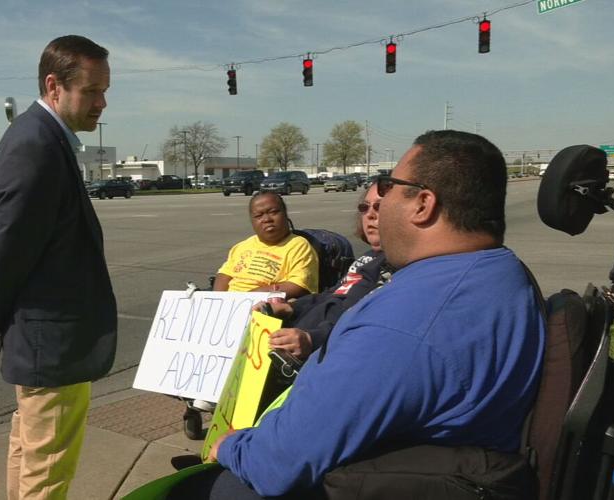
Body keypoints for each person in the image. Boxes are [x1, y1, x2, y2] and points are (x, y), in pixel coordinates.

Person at [181, 130, 546, 498]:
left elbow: (278, 463)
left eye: (387, 188)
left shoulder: (406, 322)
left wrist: (230, 445)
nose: (377, 206)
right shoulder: (500, 271)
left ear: (423, 204)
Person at [0, 35, 116, 500]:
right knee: (47, 469)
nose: (101, 103)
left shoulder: (40, 138)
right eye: (91, 91)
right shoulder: (37, 146)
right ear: (54, 86)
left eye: (104, 91)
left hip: (41, 339)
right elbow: (9, 250)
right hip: (52, 344)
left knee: (30, 453)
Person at [264, 184, 389, 360]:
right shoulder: (369, 257)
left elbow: (367, 324)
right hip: (295, 332)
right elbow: (332, 294)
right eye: (364, 207)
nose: (370, 214)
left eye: (379, 206)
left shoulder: (396, 267)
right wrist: (291, 308)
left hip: (317, 354)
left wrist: (311, 340)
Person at [213, 192, 319, 300]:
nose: (267, 219)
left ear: (285, 214)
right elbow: (223, 275)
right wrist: (217, 300)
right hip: (230, 305)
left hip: (264, 306)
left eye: (273, 212)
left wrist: (249, 297)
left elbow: (299, 286)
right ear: (252, 221)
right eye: (258, 216)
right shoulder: (242, 246)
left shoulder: (299, 246)